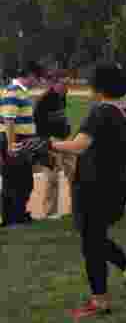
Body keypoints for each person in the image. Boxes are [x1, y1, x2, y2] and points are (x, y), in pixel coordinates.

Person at [50, 63, 126, 319]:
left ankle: (100, 300)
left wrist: (52, 144)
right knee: (95, 237)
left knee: (91, 244)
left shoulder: (99, 112)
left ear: (99, 87)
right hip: (117, 185)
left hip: (93, 186)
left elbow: (79, 145)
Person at [1, 60, 45, 226]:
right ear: (31, 76)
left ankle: (17, 214)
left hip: (21, 141)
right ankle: (12, 218)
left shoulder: (20, 92)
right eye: (38, 78)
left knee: (22, 181)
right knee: (16, 181)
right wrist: (11, 145)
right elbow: (9, 120)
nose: (38, 82)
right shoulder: (13, 92)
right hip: (15, 140)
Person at [34, 70, 75, 219]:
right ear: (54, 83)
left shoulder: (62, 96)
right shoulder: (43, 101)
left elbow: (61, 118)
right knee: (52, 178)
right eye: (63, 83)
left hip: (66, 141)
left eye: (67, 83)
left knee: (74, 174)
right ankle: (50, 213)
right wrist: (47, 143)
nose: (66, 87)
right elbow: (37, 127)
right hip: (49, 142)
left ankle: (76, 208)